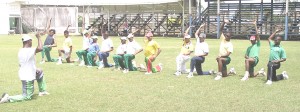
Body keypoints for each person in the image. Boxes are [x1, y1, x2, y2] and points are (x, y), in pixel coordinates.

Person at [0, 34, 49, 104]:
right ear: (29, 41)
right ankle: (8, 98)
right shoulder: (27, 51)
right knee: (27, 96)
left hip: (29, 72)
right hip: (27, 77)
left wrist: (35, 69)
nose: (32, 43)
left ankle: (42, 91)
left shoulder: (22, 50)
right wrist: (39, 37)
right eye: (31, 41)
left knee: (40, 71)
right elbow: (40, 48)